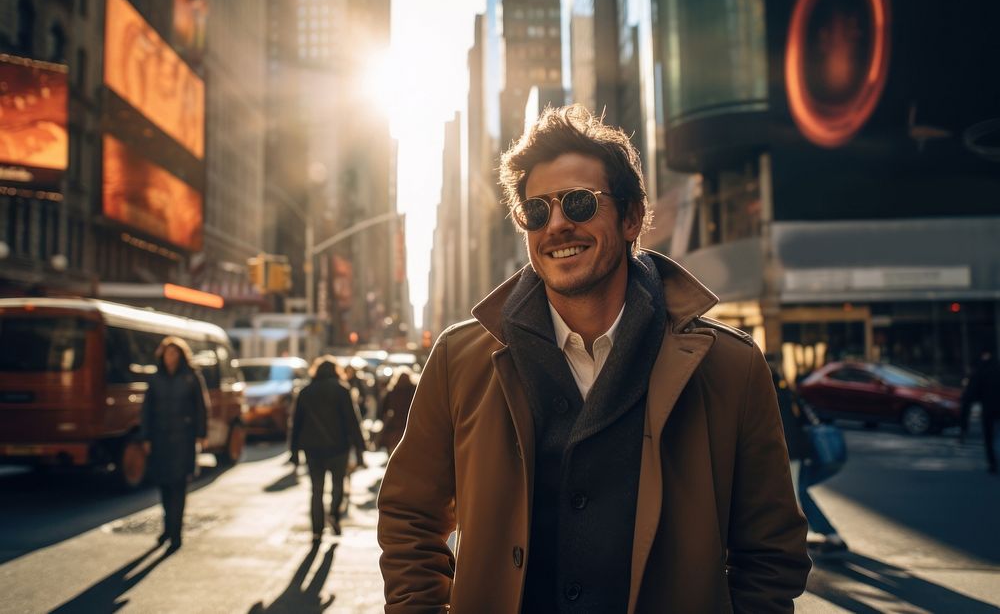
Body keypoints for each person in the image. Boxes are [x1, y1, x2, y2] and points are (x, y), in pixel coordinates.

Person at [377, 105, 810, 612]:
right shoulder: (459, 359)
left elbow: (772, 551)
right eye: (537, 211)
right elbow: (410, 514)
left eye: (579, 203)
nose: (557, 224)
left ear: (631, 218)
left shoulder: (730, 368)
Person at [139, 336, 208, 551]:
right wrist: (146, 437)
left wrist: (200, 434)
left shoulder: (191, 377)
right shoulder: (155, 378)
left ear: (181, 355)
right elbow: (146, 411)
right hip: (160, 439)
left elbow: (201, 407)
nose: (171, 357)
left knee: (179, 485)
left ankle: (176, 533)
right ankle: (167, 528)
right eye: (168, 353)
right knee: (164, 486)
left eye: (175, 353)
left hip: (183, 439)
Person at [289, 356, 368, 541]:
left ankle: (317, 530)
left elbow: (296, 424)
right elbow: (352, 421)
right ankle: (334, 514)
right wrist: (359, 448)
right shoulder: (342, 390)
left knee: (316, 489)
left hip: (312, 449)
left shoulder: (305, 391)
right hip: (338, 447)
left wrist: (293, 452)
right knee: (338, 485)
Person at [772, 365, 848, 553]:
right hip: (799, 453)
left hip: (789, 454)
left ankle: (823, 536)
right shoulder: (787, 394)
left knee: (796, 495)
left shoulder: (772, 398)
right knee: (799, 493)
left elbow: (785, 431)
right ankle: (826, 535)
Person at [962, 350, 1000, 474]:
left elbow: (970, 395)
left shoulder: (980, 371)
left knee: (989, 437)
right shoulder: (994, 368)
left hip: (988, 408)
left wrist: (964, 427)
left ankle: (992, 463)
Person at [378, 366, 418, 453]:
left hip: (395, 422)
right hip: (409, 422)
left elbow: (383, 409)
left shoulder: (392, 391)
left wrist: (383, 419)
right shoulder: (414, 390)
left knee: (394, 447)